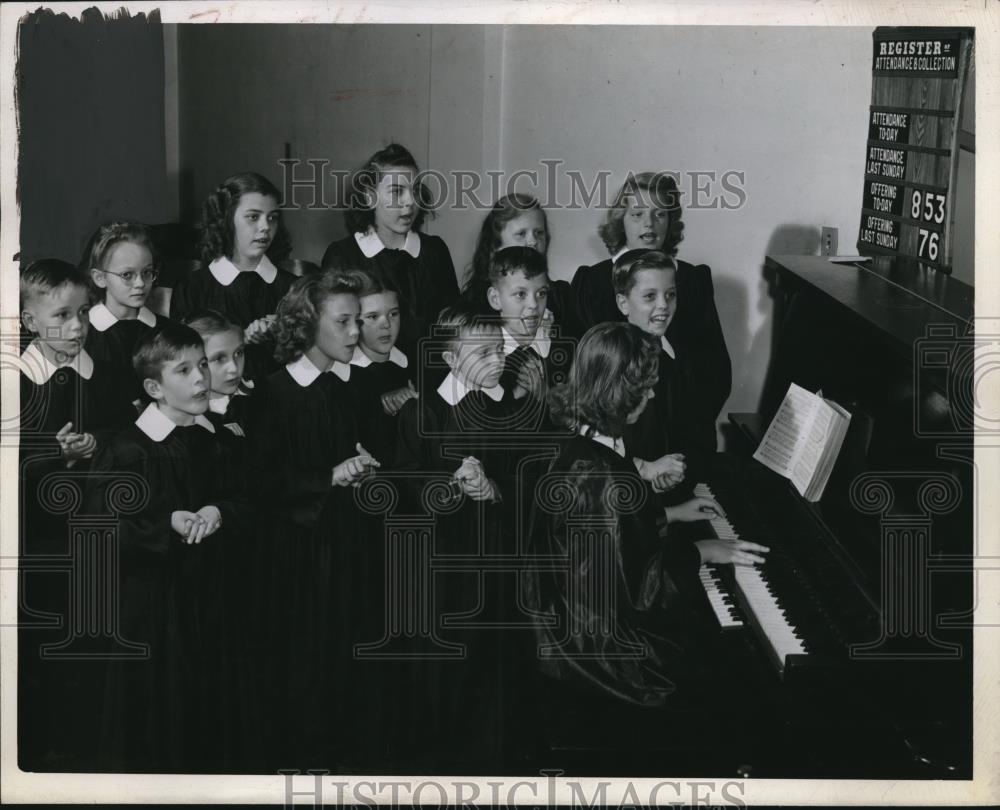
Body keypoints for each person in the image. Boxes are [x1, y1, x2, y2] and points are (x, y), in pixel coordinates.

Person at [526, 322, 767, 706]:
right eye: (645, 388)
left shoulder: (578, 438)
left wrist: (670, 514)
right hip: (593, 646)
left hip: (566, 612)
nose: (653, 394)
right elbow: (639, 592)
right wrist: (703, 550)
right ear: (620, 394)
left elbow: (614, 536)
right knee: (729, 671)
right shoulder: (599, 474)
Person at [85, 322, 252, 771]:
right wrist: (166, 523)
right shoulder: (126, 450)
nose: (201, 378)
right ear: (153, 387)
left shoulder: (219, 439)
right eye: (184, 370)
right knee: (159, 716)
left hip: (212, 600)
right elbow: (101, 527)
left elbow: (249, 500)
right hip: (154, 609)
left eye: (202, 365)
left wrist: (219, 510)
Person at [249, 270, 378, 767]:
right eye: (343, 322)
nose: (354, 333)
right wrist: (328, 477)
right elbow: (261, 482)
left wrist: (370, 468)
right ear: (306, 325)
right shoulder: (274, 393)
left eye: (358, 321)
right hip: (299, 553)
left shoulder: (356, 384)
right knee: (305, 660)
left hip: (352, 544)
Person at [17, 259, 135, 770]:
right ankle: (40, 750)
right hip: (34, 543)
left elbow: (126, 438)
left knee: (92, 638)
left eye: (82, 313)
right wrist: (52, 453)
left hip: (95, 537)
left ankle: (92, 744)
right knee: (39, 640)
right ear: (27, 321)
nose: (76, 327)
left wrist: (96, 444)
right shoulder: (16, 383)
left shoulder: (103, 374)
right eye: (61, 315)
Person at [393, 304, 516, 771]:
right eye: (482, 351)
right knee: (439, 670)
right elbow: (404, 480)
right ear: (449, 358)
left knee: (490, 669)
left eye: (500, 349)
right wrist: (447, 486)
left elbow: (533, 481)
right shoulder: (419, 411)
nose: (496, 360)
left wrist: (495, 488)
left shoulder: (512, 410)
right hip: (437, 565)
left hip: (495, 557)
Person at [571, 172, 731, 436]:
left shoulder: (691, 280)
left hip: (685, 436)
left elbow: (716, 374)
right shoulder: (593, 283)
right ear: (620, 220)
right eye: (637, 214)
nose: (650, 224)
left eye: (660, 214)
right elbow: (587, 378)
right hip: (616, 439)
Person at [320, 143, 459, 361]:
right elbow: (334, 335)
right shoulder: (342, 255)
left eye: (414, 190)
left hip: (427, 376)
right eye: (397, 192)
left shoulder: (434, 251)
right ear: (369, 197)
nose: (410, 202)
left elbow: (452, 328)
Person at [169, 172, 296, 382]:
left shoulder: (292, 286)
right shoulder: (192, 287)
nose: (265, 227)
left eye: (272, 217)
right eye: (253, 217)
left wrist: (281, 334)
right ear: (226, 220)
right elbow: (183, 362)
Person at [613, 248, 715, 492]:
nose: (664, 305)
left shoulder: (683, 358)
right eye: (650, 296)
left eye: (670, 295)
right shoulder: (613, 362)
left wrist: (678, 473)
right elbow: (597, 450)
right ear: (623, 303)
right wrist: (648, 471)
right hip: (627, 497)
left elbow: (699, 434)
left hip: (675, 487)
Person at [462, 192, 581, 338]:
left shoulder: (562, 297)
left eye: (539, 233)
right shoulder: (473, 305)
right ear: (495, 244)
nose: (533, 241)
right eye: (521, 234)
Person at [83, 221, 170, 407]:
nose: (140, 283)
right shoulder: (83, 335)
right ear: (100, 278)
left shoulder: (166, 331)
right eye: (127, 275)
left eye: (147, 272)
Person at [347, 271, 416, 469]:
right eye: (372, 316)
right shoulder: (345, 374)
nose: (386, 324)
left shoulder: (412, 361)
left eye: (393, 314)